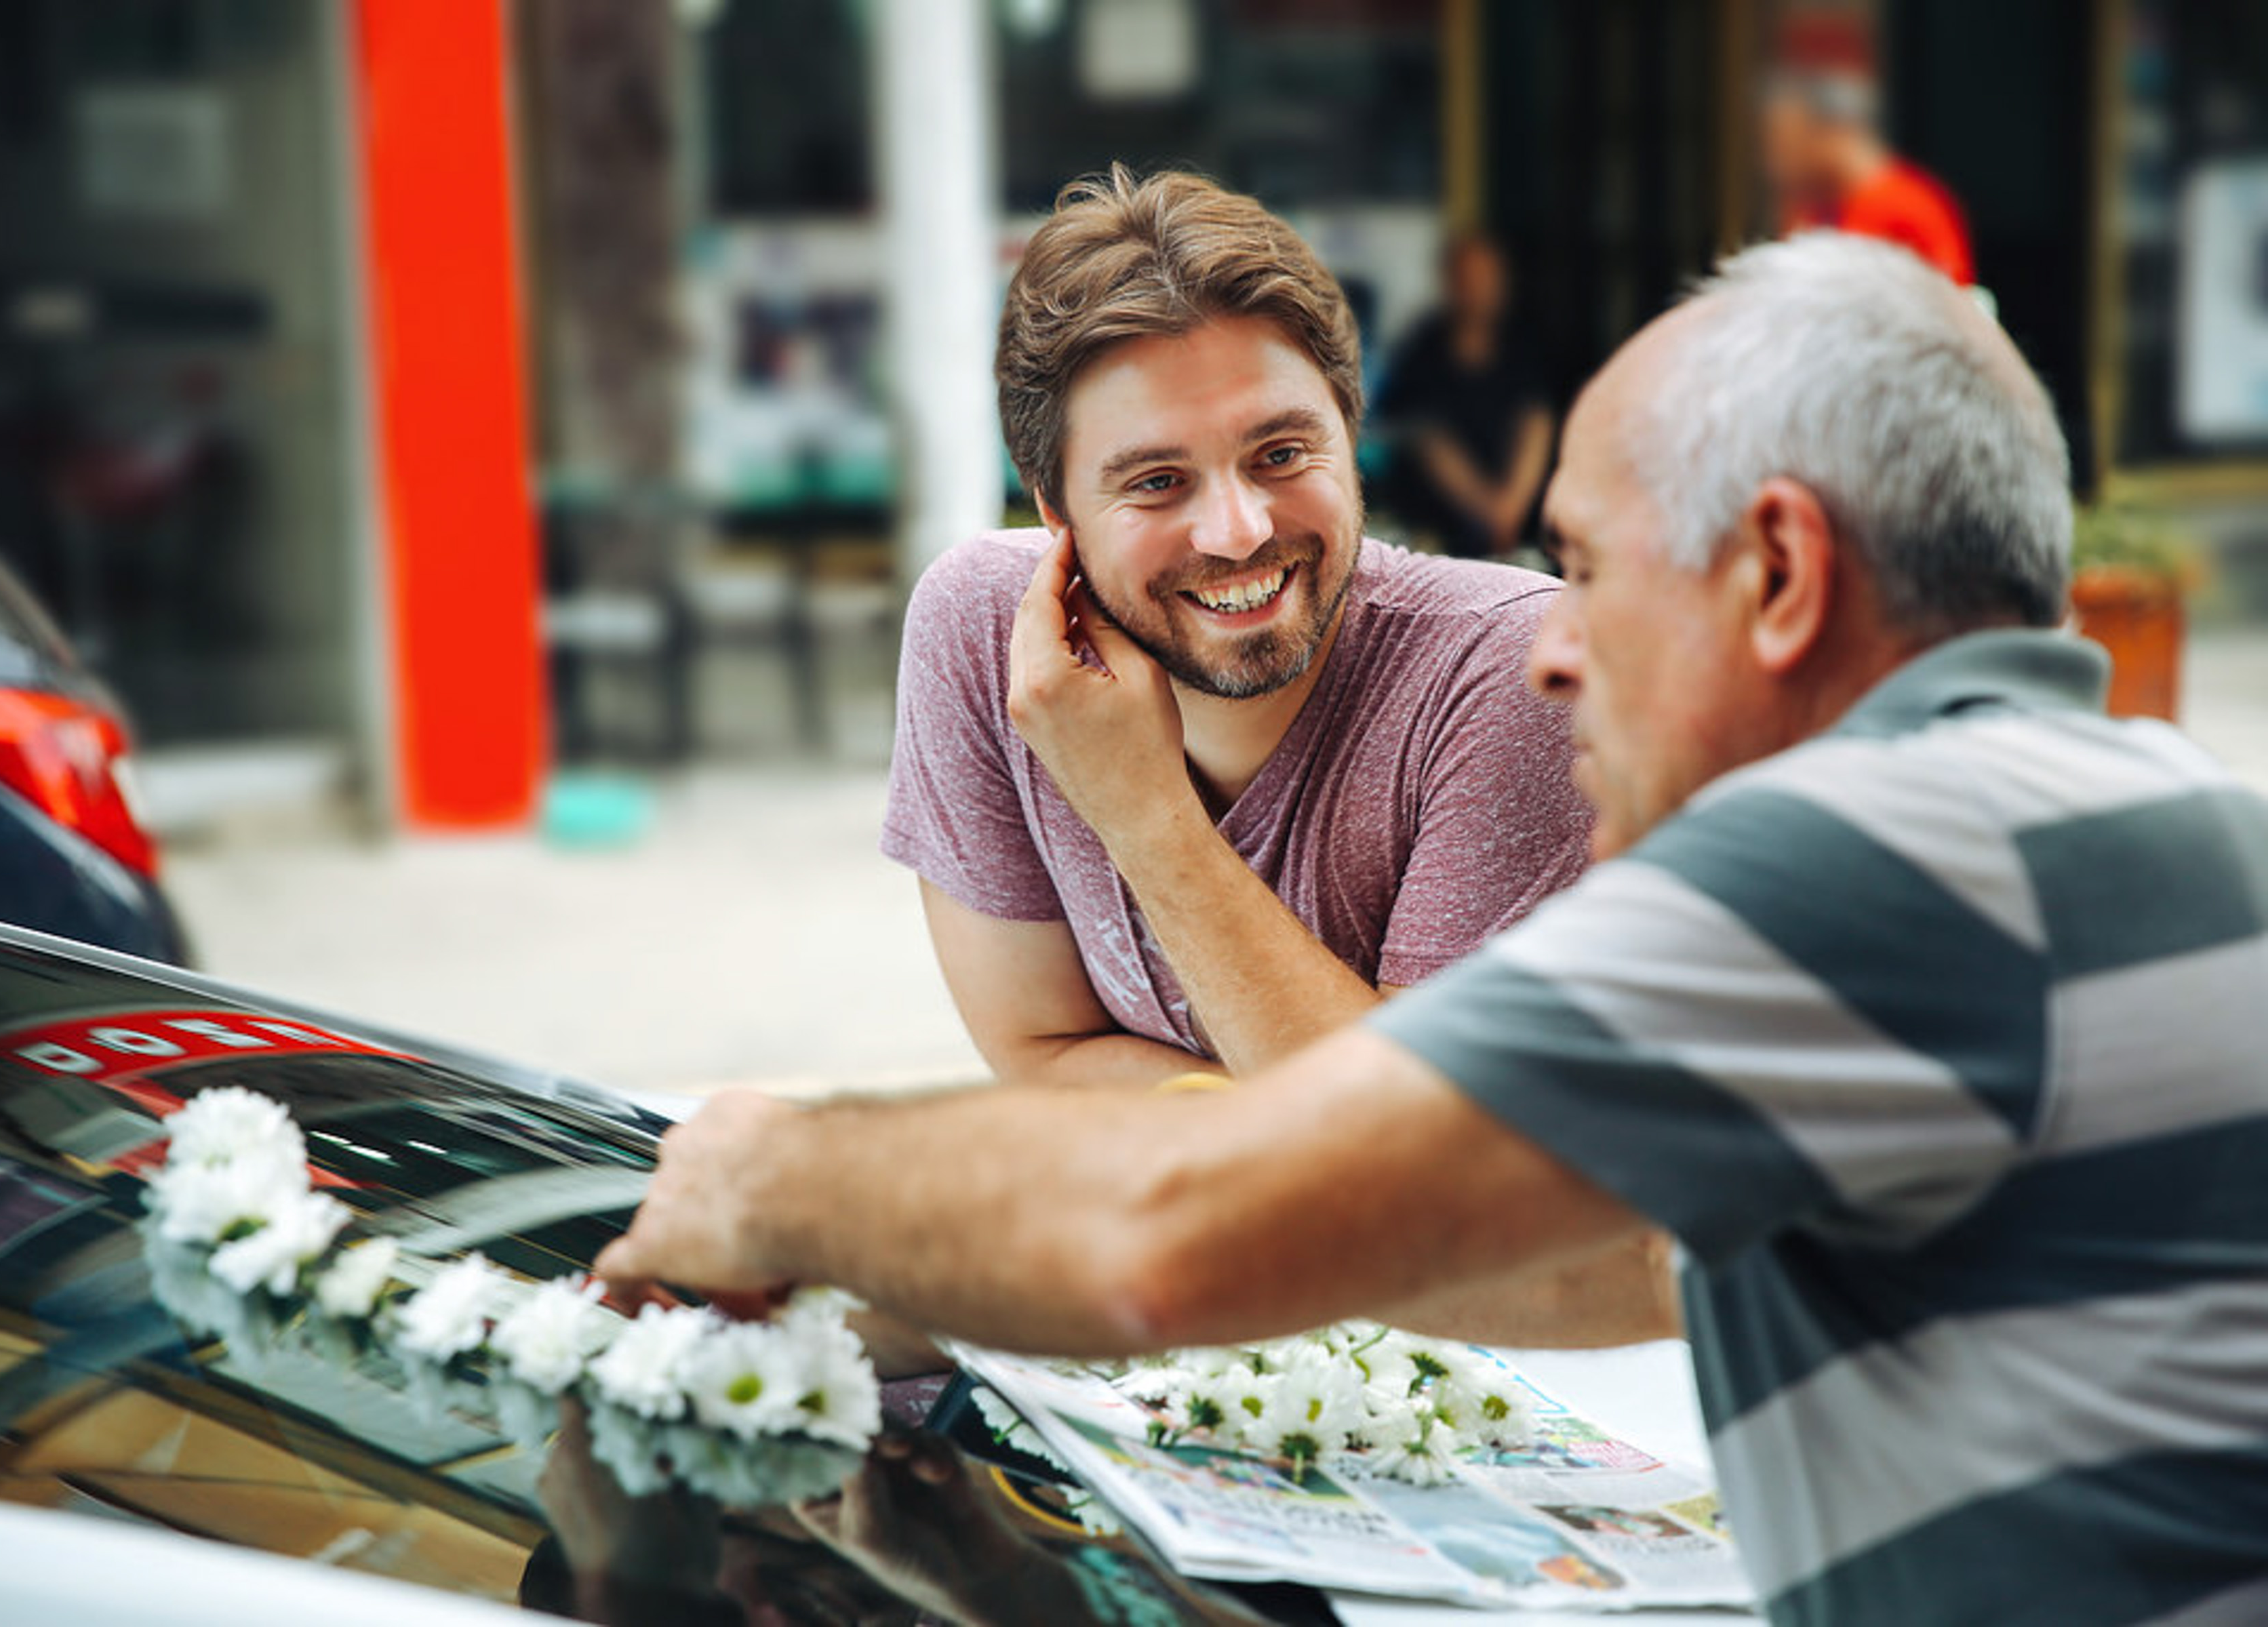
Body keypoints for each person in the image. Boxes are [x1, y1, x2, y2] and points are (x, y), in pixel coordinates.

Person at [601, 232, 2268, 1624]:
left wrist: (776, 1171)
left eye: (1592, 568)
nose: (1556, 650)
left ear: (1778, 572)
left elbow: (1185, 1228)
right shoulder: (2144, 822)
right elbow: (1596, 1260)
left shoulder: (1883, 862)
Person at [883, 167, 1591, 1096]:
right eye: (1155, 482)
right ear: (1052, 504)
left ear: (1349, 428)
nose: (1239, 531)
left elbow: (1412, 1154)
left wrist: (1147, 819)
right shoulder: (981, 635)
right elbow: (1037, 1049)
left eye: (1282, 455)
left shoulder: (1511, 671)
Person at [1373, 234, 1555, 559]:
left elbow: (1537, 422)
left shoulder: (1525, 341)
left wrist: (1511, 508)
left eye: (1488, 277)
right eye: (1468, 278)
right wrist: (1490, 509)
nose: (1479, 289)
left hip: (1519, 529)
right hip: (1437, 532)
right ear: (1450, 282)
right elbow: (1427, 437)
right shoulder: (1423, 347)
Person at [1762, 64, 1974, 285]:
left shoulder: (1908, 207)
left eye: (1785, 141)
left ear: (1830, 131)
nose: (1776, 161)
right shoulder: (1815, 207)